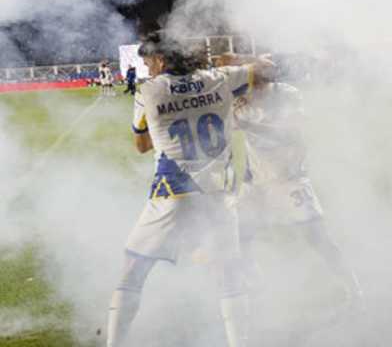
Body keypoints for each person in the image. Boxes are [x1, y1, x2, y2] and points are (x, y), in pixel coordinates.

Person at [107, 33, 274, 347]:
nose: (148, 69)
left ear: (162, 59)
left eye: (149, 62)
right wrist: (233, 62)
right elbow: (267, 67)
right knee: (228, 273)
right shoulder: (220, 78)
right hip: (219, 193)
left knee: (133, 267)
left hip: (173, 192)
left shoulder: (148, 90)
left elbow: (141, 145)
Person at [231, 73, 362, 301]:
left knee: (317, 237)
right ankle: (254, 282)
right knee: (238, 234)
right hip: (256, 183)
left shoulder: (287, 94)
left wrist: (247, 124)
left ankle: (352, 287)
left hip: (288, 178)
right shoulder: (239, 99)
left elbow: (290, 133)